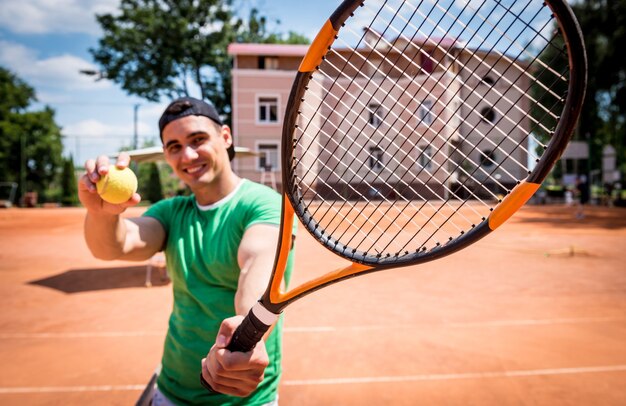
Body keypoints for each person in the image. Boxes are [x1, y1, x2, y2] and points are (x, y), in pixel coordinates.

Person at [78, 97, 295, 405]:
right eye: (174, 146)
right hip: (172, 389)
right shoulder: (171, 212)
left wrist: (247, 339)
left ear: (225, 136)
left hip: (246, 399)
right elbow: (115, 245)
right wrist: (101, 212)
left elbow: (258, 269)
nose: (188, 155)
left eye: (198, 139)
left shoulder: (263, 204)